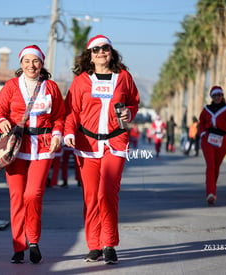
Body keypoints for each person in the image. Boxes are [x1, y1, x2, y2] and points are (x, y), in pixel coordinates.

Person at [64, 35, 140, 264]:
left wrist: (129, 112)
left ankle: (109, 244)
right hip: (87, 146)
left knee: (107, 193)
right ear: (89, 55)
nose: (100, 52)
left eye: (104, 48)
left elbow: (134, 102)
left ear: (111, 51)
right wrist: (68, 133)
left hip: (115, 143)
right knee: (90, 197)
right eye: (95, 49)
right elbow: (71, 111)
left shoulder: (124, 77)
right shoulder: (80, 81)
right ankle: (94, 245)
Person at [0, 45, 65, 264]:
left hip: (42, 147)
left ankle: (33, 240)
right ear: (20, 63)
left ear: (41, 64)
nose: (31, 65)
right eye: (27, 61)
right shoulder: (11, 86)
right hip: (16, 148)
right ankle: (18, 246)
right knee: (16, 198)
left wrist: (57, 133)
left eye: (36, 61)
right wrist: (1, 121)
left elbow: (60, 115)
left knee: (33, 195)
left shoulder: (51, 87)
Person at [198, 86, 226, 206]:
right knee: (211, 166)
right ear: (211, 97)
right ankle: (211, 193)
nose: (217, 97)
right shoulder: (206, 109)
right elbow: (201, 123)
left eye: (219, 95)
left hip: (221, 141)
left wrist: (217, 123)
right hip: (208, 140)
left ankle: (212, 190)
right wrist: (203, 133)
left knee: (216, 167)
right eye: (215, 95)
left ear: (222, 96)